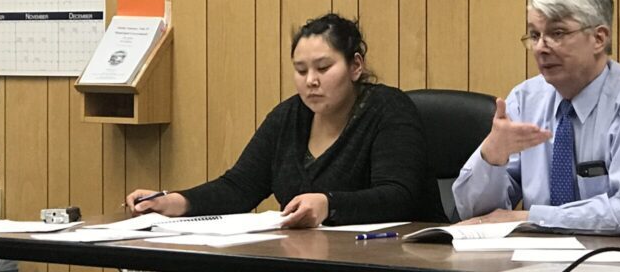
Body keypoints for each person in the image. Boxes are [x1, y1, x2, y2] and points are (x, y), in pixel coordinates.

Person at [127, 13, 446, 227]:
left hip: (397, 257)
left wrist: (328, 204)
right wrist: (176, 201)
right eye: (301, 70)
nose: (311, 81)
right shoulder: (289, 116)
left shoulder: (389, 109)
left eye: (323, 68)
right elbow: (240, 186)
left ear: (355, 66)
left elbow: (398, 197)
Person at [452, 0, 620, 237]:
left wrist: (534, 218)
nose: (541, 47)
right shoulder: (525, 99)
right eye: (534, 35)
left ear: (599, 39)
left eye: (557, 33)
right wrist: (492, 157)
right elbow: (473, 215)